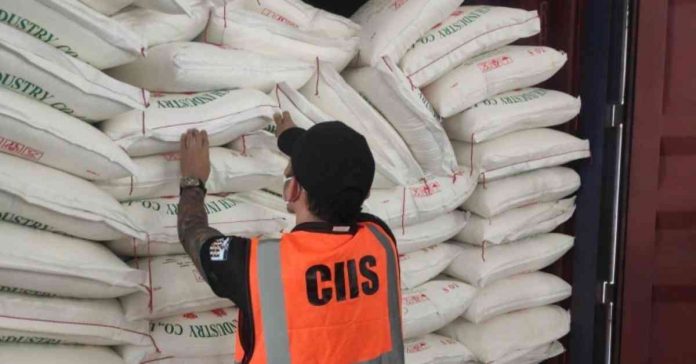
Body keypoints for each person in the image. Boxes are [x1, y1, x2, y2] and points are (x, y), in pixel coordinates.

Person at [177, 112, 404, 364]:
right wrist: (291, 139)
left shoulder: (259, 266)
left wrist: (192, 181)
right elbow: (343, 168)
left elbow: (192, 232)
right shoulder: (380, 239)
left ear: (293, 190)